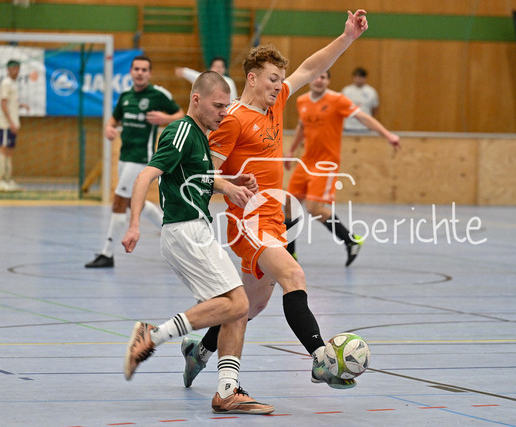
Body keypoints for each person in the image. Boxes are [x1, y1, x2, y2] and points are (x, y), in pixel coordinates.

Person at [177, 9, 371, 392]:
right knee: (293, 275)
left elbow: (310, 67)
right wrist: (231, 188)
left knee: (249, 306)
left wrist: (347, 37)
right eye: (272, 79)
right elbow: (204, 176)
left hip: (272, 221)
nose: (279, 85)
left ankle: (199, 352)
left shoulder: (277, 101)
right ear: (252, 78)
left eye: (281, 79)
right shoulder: (232, 120)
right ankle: (321, 359)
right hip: (246, 223)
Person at [121, 71, 273, 415]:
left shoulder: (201, 137)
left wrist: (231, 183)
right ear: (196, 99)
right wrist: (134, 225)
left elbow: (198, 178)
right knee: (238, 304)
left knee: (236, 308)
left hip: (195, 230)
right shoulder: (181, 131)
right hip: (186, 231)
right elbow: (146, 175)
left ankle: (227, 391)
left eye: (227, 106)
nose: (224, 112)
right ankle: (152, 335)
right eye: (218, 106)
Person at [284, 70, 400, 265]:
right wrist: (291, 151)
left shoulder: (338, 100)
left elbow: (364, 117)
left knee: (314, 208)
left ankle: (350, 240)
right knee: (290, 204)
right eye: (316, 76)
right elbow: (301, 127)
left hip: (326, 163)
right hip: (306, 161)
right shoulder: (302, 101)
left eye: (323, 77)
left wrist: (388, 135)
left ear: (328, 81)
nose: (319, 80)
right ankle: (290, 253)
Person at [86, 55, 184, 268]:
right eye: (136, 69)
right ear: (131, 72)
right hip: (124, 158)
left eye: (144, 70)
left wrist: (165, 119)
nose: (140, 73)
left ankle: (107, 253)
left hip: (141, 158)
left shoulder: (157, 95)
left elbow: (181, 114)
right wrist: (109, 128)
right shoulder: (126, 96)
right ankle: (174, 234)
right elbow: (114, 118)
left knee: (119, 201)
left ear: (149, 73)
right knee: (133, 202)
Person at [0, 59, 29, 192]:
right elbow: (3, 104)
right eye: (14, 68)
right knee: (3, 149)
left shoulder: (14, 84)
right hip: (5, 124)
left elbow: (10, 104)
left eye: (18, 69)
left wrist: (20, 106)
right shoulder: (6, 83)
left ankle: (8, 180)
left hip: (13, 123)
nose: (16, 71)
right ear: (8, 69)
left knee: (9, 152)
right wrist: (10, 123)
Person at [341, 67, 379, 133]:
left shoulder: (371, 91)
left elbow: (374, 109)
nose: (359, 79)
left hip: (364, 126)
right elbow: (341, 107)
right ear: (353, 77)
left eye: (361, 77)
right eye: (357, 77)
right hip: (349, 126)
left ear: (365, 78)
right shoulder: (346, 91)